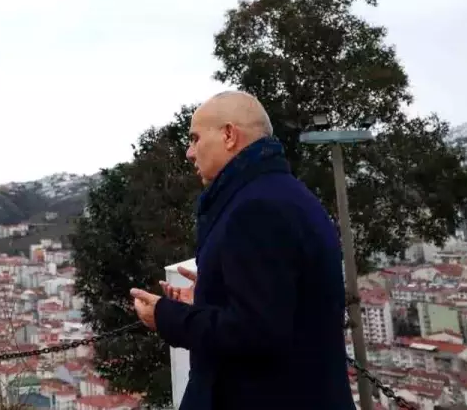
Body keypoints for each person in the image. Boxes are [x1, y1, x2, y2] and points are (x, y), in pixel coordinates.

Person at [128, 91, 354, 410]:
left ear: (229, 135)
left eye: (194, 138)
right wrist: (209, 294)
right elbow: (278, 304)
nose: (189, 152)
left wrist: (166, 316)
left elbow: (256, 333)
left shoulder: (256, 209)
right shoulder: (285, 194)